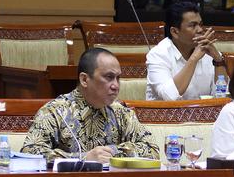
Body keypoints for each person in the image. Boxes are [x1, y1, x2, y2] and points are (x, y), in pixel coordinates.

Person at [22, 48, 159, 163]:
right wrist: (83, 158)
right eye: (109, 77)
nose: (116, 86)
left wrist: (112, 152)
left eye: (118, 78)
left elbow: (151, 149)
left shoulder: (121, 113)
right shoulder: (55, 112)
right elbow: (30, 153)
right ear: (84, 79)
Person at [145, 1, 227, 100]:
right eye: (193, 25)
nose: (200, 30)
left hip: (203, 114)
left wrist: (218, 60)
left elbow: (222, 95)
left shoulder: (209, 52)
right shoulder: (158, 55)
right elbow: (169, 97)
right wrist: (194, 59)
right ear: (175, 32)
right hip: (166, 115)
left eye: (201, 24)